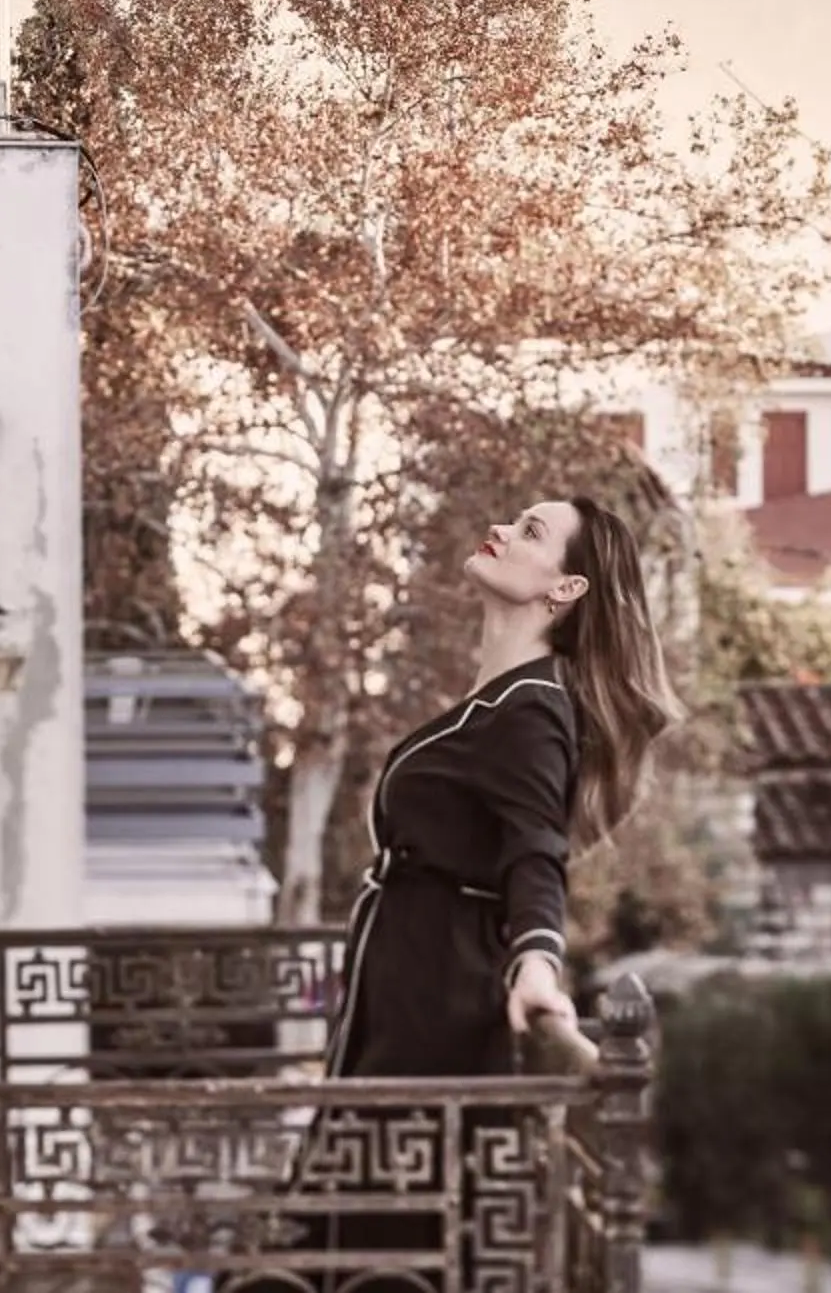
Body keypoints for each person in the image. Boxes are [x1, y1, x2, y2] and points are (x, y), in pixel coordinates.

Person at [232, 494, 680, 1291]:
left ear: (565, 589)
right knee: (346, 1232)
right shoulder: (504, 700)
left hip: (439, 1003)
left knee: (382, 1240)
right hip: (406, 988)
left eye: (531, 531)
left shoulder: (532, 710)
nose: (502, 528)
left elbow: (536, 853)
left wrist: (538, 963)